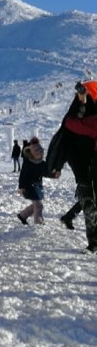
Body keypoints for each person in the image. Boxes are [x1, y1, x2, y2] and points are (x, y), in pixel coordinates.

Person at [53, 82, 97, 253]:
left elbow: (71, 123)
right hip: (87, 168)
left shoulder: (91, 121)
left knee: (89, 203)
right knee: (88, 202)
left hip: (89, 167)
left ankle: (93, 242)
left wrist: (82, 101)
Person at [16, 137, 52, 225]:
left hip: (38, 186)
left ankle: (22, 215)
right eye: (36, 151)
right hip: (29, 187)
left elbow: (46, 173)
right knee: (39, 205)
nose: (39, 152)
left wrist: (54, 174)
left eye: (40, 150)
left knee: (35, 205)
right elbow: (22, 176)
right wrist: (21, 187)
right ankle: (38, 222)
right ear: (31, 152)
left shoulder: (42, 163)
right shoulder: (28, 163)